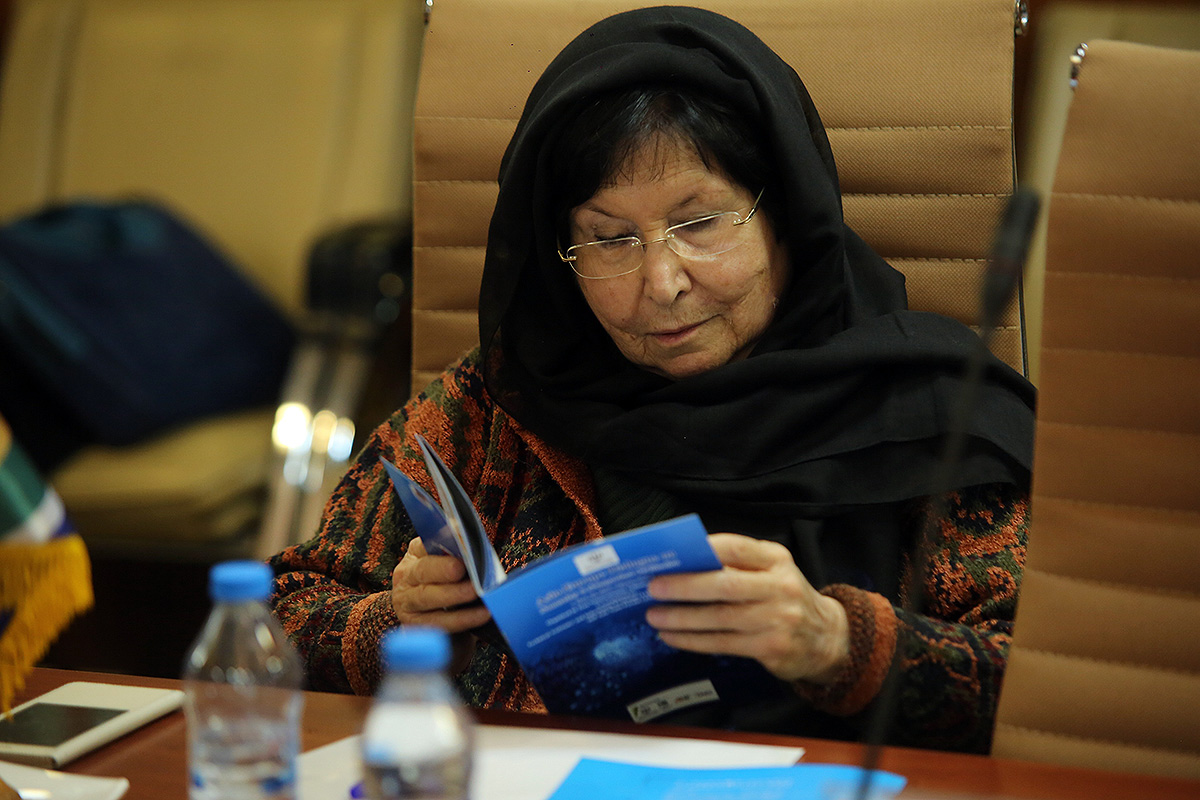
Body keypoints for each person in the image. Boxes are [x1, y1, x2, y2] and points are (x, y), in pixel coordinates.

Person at [269, 6, 1035, 754]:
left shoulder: (930, 409)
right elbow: (276, 622)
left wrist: (838, 642)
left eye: (699, 224)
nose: (663, 283)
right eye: (609, 239)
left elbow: (1043, 689)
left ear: (786, 212)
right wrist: (396, 625)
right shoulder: (497, 405)